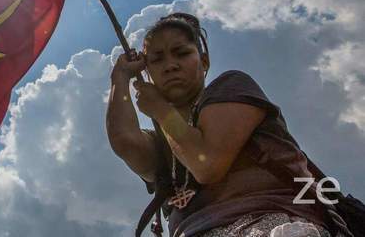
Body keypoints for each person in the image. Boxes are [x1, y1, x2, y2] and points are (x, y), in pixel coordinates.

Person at [105, 12, 331, 237]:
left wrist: (160, 109)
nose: (170, 65)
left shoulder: (232, 87)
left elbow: (207, 165)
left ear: (204, 62)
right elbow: (125, 142)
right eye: (157, 60)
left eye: (181, 53)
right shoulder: (163, 143)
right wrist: (121, 77)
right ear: (148, 72)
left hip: (270, 220)